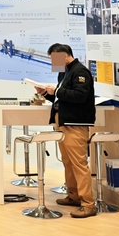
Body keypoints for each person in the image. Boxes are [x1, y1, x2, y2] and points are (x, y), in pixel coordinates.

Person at [34, 43, 96, 219]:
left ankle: (88, 204)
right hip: (63, 122)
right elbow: (61, 97)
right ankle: (74, 196)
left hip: (75, 124)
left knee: (78, 163)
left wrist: (57, 91)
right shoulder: (64, 72)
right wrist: (46, 93)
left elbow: (79, 96)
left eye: (55, 59)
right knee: (68, 162)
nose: (53, 62)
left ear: (65, 55)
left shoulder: (80, 72)